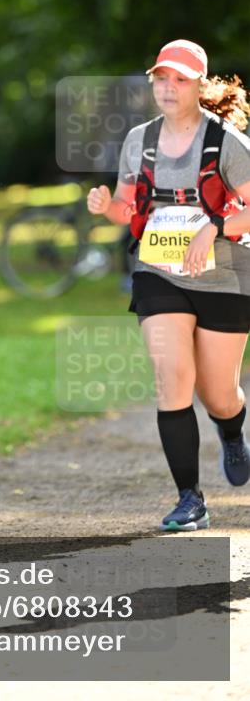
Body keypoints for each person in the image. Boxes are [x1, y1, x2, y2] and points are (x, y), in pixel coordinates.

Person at [87, 39, 250, 532]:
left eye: (180, 79)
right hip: (159, 271)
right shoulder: (140, 139)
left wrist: (214, 226)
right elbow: (127, 207)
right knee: (172, 377)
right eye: (161, 78)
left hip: (225, 277)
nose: (169, 87)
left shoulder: (228, 143)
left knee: (216, 392)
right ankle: (189, 499)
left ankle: (231, 428)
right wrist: (105, 207)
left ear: (200, 85)